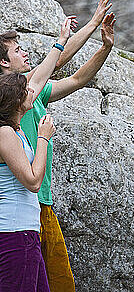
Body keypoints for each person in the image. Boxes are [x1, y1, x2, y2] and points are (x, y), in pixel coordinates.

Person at [0, 0, 116, 292]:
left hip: (37, 210)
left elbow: (74, 78)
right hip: (19, 220)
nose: (24, 53)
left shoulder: (23, 98)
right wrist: (68, 36)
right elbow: (55, 62)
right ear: (2, 63)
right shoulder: (9, 104)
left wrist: (100, 40)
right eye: (17, 51)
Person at [0, 17, 71, 292]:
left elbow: (41, 77)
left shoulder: (14, 131)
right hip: (13, 235)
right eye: (26, 90)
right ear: (16, 100)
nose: (33, 91)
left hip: (25, 233)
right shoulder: (5, 133)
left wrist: (62, 40)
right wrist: (42, 138)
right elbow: (32, 182)